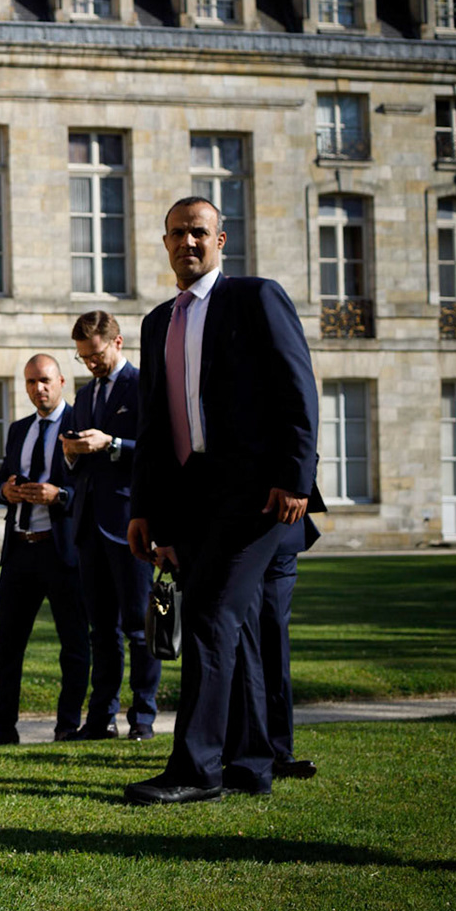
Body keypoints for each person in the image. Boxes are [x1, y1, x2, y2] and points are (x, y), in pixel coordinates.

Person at [126, 197, 323, 806]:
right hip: (194, 498)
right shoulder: (158, 321)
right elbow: (157, 427)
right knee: (234, 628)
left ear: (221, 240)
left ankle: (195, 770)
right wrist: (145, 509)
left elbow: (298, 389)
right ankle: (249, 764)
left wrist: (295, 476)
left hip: (261, 496)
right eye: (177, 234)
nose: (188, 243)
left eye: (199, 233)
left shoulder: (255, 298)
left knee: (211, 617)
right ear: (164, 243)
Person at [0, 355, 90, 748]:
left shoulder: (80, 428)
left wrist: (61, 495)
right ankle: (3, 727)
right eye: (32, 382)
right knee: (7, 644)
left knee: (74, 644)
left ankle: (67, 725)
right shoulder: (20, 429)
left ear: (62, 381)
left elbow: (91, 489)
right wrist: (5, 491)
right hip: (19, 550)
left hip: (62, 552)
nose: (39, 388)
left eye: (46, 380)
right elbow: (1, 478)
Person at [62, 312, 158, 741]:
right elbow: (77, 464)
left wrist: (113, 445)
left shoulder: (142, 386)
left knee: (139, 628)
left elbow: (159, 452)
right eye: (83, 359)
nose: (91, 364)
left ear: (117, 343)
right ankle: (101, 718)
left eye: (95, 355)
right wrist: (72, 452)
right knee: (102, 630)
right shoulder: (85, 396)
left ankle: (144, 718)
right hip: (88, 524)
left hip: (129, 521)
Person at [234, 515, 320, 779]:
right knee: (239, 643)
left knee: (276, 639)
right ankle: (240, 748)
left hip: (282, 530)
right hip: (233, 533)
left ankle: (280, 751)